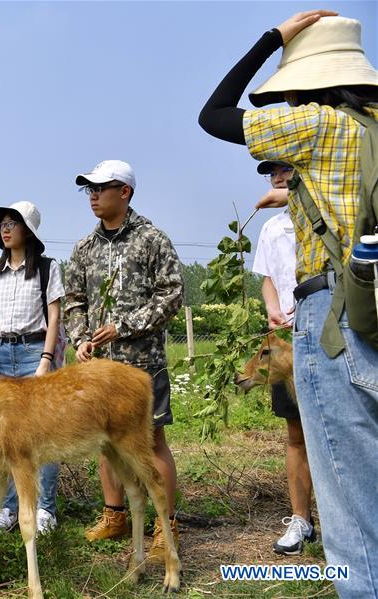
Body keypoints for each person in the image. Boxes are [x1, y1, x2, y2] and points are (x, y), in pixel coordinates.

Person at [199, 11, 378, 596]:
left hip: (336, 318)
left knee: (351, 509)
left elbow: (214, 114)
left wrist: (271, 38)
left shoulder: (318, 126)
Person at [62, 160, 183, 562]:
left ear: (125, 192)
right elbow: (74, 302)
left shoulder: (151, 240)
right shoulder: (84, 248)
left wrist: (124, 325)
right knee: (104, 441)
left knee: (151, 441)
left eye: (101, 188)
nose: (93, 195)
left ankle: (165, 526)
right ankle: (114, 515)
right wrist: (80, 339)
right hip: (99, 368)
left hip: (142, 363)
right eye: (89, 189)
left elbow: (171, 295)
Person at [0, 201, 65, 535]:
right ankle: (11, 508)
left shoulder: (46, 268)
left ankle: (44, 509)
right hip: (1, 353)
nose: (6, 228)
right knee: (6, 437)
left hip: (33, 352)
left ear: (29, 230)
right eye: (2, 224)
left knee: (43, 432)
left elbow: (54, 315)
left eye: (13, 222)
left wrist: (45, 358)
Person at [251, 160, 317, 556]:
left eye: (285, 166)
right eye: (271, 170)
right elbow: (268, 279)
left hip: (326, 331)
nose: (277, 174)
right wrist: (272, 310)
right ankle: (301, 520)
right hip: (288, 339)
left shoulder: (325, 211)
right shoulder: (271, 227)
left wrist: (294, 197)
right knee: (295, 434)